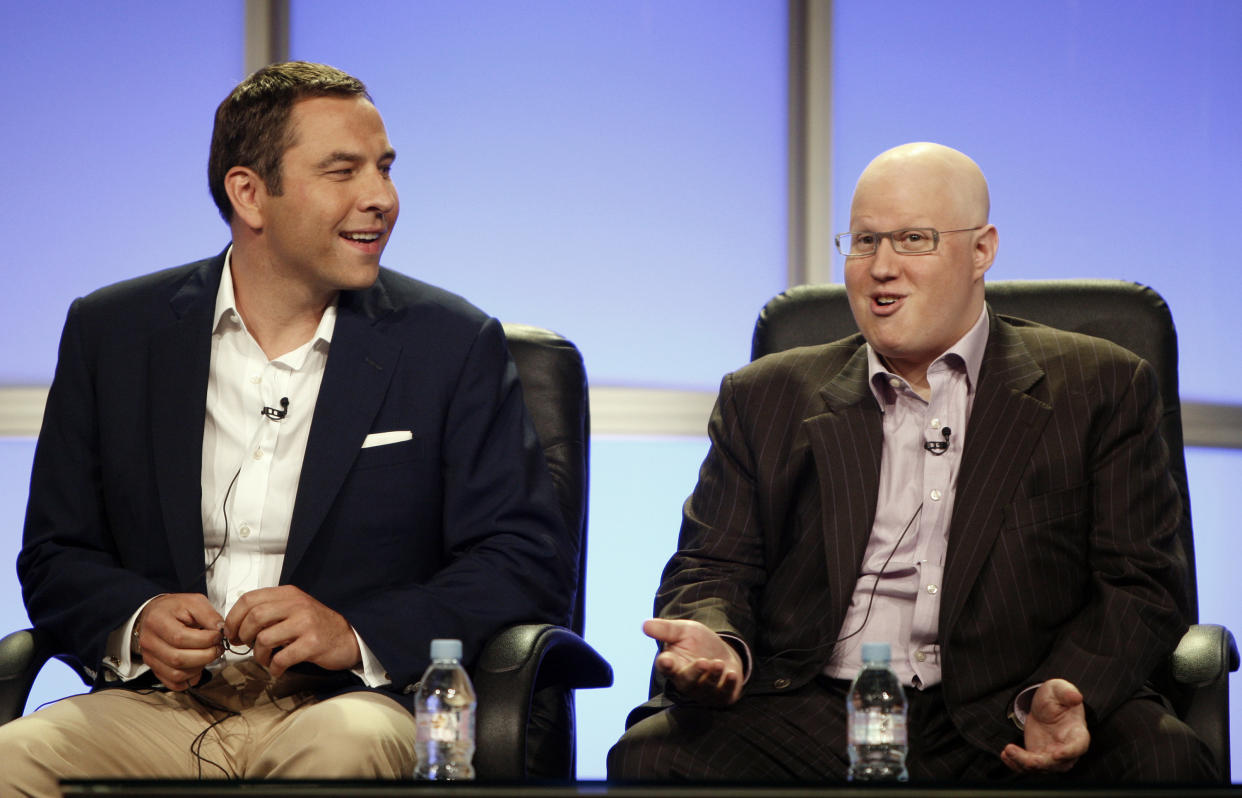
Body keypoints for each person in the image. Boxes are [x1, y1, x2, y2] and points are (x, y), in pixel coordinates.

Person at [0, 61, 573, 792]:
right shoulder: (113, 333)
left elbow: (525, 560)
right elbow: (55, 552)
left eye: (385, 169)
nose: (383, 199)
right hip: (158, 706)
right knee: (12, 757)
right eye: (343, 172)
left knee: (341, 749)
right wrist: (136, 620)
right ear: (249, 194)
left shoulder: (450, 343)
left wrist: (352, 632)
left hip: (348, 703)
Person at [608, 142, 1216, 782]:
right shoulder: (764, 395)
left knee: (1163, 761)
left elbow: (1141, 580)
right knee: (654, 757)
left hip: (1018, 704)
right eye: (865, 242)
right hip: (819, 707)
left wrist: (1069, 688)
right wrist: (719, 639)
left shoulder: (1100, 386)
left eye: (914, 239)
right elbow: (713, 563)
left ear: (981, 250)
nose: (882, 267)